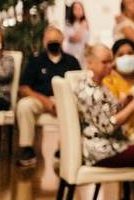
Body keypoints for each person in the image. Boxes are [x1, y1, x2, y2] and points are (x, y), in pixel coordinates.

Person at [16, 26, 82, 167]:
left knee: (77, 109)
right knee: (24, 105)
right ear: (44, 42)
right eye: (49, 40)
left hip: (64, 101)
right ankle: (27, 148)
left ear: (62, 40)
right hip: (40, 99)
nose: (53, 43)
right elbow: (24, 88)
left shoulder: (72, 62)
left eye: (56, 40)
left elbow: (80, 87)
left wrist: (63, 102)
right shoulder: (35, 61)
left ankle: (64, 149)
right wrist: (45, 101)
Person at [74, 44, 134, 167]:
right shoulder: (91, 91)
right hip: (100, 150)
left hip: (107, 144)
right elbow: (108, 126)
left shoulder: (99, 83)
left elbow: (106, 113)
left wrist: (123, 103)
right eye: (105, 62)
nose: (110, 65)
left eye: (111, 61)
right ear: (90, 63)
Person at [63, 1, 90, 67]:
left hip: (83, 54)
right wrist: (82, 26)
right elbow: (74, 39)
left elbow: (86, 41)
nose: (78, 11)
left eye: (80, 9)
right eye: (75, 8)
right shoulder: (68, 24)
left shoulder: (86, 23)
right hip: (72, 53)